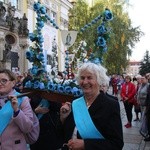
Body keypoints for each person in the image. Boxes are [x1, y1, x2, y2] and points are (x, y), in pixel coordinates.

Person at [59, 62, 124, 150]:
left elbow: (116, 144)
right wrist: (63, 119)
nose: (85, 82)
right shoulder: (75, 103)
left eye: (89, 78)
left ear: (99, 80)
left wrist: (85, 144)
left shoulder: (110, 105)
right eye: (82, 78)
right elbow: (66, 134)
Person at [0, 68, 36, 150]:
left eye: (4, 81)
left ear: (13, 83)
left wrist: (16, 110)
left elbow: (28, 128)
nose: (0, 83)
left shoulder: (22, 99)